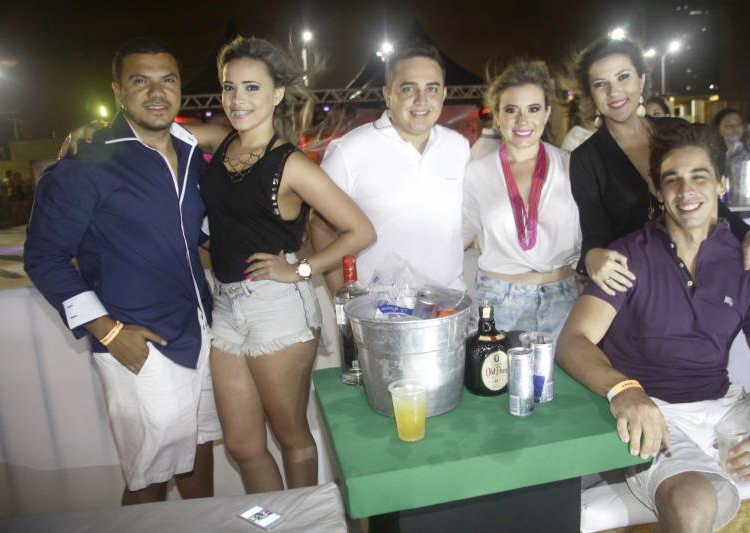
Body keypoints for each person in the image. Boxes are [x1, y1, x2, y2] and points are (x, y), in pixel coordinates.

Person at [557, 123, 750, 532]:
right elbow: (573, 342)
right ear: (656, 189)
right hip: (651, 408)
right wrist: (624, 390)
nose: (686, 191)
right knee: (691, 502)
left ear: (721, 183)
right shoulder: (628, 256)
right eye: (672, 179)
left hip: (722, 406)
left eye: (699, 176)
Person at [24, 37, 221, 505]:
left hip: (199, 331)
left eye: (167, 79)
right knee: (148, 478)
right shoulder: (86, 163)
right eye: (140, 81)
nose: (156, 92)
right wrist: (110, 333)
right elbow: (44, 258)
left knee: (197, 451)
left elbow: (192, 230)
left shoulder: (189, 153)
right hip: (139, 342)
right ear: (117, 91)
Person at [182, 36, 375, 493]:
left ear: (277, 94)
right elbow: (161, 128)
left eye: (252, 87)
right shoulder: (220, 142)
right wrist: (97, 130)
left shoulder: (291, 165)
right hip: (226, 306)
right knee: (242, 445)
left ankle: (304, 519)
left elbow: (361, 230)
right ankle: (273, 521)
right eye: (229, 87)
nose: (237, 99)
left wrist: (301, 269)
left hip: (278, 306)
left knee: (291, 436)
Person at [569, 36, 750, 297]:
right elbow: (594, 236)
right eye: (600, 84)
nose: (614, 92)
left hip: (700, 271)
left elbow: (710, 202)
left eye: (623, 77)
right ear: (591, 94)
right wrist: (591, 258)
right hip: (637, 285)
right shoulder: (585, 159)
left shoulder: (677, 131)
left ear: (641, 80)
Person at [310, 41, 471, 293]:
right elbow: (320, 226)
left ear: (443, 94)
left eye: (432, 88)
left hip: (449, 301)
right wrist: (343, 298)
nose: (421, 100)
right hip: (378, 307)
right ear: (388, 95)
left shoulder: (458, 146)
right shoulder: (349, 151)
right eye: (408, 89)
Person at [462, 59, 580, 336]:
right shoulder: (476, 173)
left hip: (564, 299)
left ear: (547, 113)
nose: (523, 121)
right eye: (511, 110)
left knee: (567, 368)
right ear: (497, 116)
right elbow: (458, 237)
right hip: (499, 301)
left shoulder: (572, 166)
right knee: (495, 368)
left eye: (533, 109)